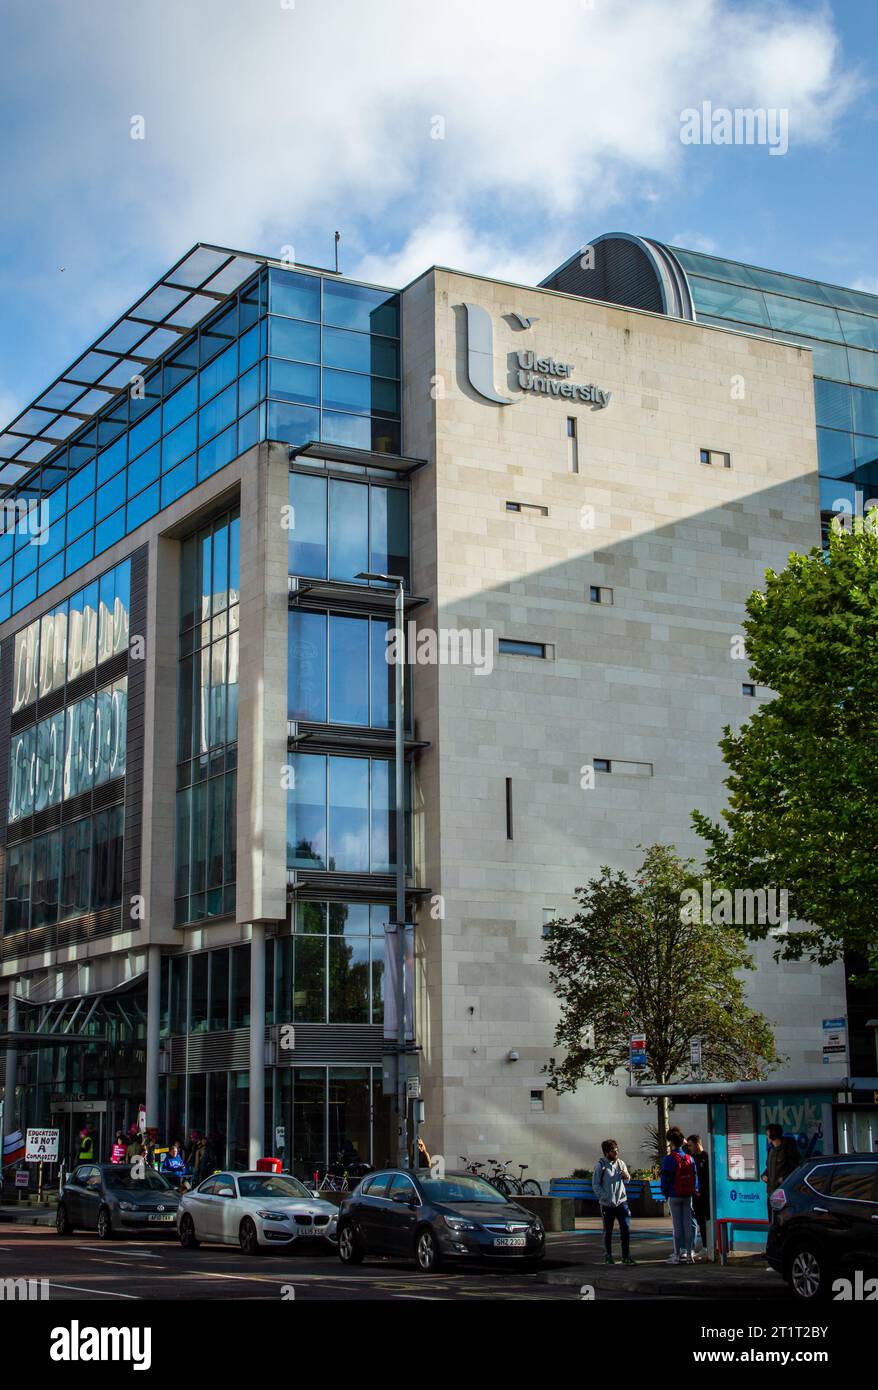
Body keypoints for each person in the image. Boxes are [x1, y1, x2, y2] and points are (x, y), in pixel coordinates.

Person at [592, 1138, 636, 1265]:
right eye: (613, 1151)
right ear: (606, 1153)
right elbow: (595, 1184)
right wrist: (604, 1197)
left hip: (621, 1202)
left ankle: (626, 1256)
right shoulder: (601, 1165)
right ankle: (608, 1255)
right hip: (607, 1204)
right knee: (608, 1230)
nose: (616, 1153)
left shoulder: (621, 1163)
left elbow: (627, 1180)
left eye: (617, 1150)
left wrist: (626, 1176)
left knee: (625, 1229)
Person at [660, 1126, 699, 1264]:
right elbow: (695, 1177)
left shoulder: (669, 1159)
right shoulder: (689, 1158)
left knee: (677, 1226)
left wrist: (665, 1193)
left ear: (671, 1142)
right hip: (688, 1196)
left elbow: (665, 1180)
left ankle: (677, 1255)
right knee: (688, 1225)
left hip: (674, 1195)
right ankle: (689, 1255)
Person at [761, 1124, 801, 1212]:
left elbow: (796, 1169)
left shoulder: (788, 1149)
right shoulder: (771, 1150)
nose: (767, 1137)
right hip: (770, 1193)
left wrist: (783, 1179)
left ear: (773, 1134)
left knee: (780, 1221)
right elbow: (769, 1168)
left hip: (782, 1193)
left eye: (767, 1134)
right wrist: (764, 1175)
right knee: (772, 1221)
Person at [686, 1133, 710, 1260]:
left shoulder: (706, 1156)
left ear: (697, 1144)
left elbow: (708, 1176)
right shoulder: (692, 1157)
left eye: (690, 1145)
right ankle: (706, 1246)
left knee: (708, 1219)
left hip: (706, 1194)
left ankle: (709, 1246)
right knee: (701, 1221)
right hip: (696, 1194)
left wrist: (703, 1190)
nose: (689, 1148)